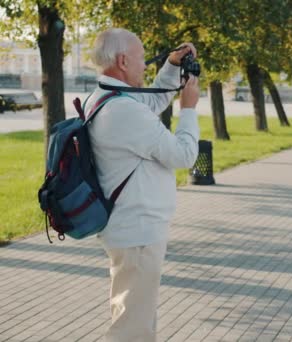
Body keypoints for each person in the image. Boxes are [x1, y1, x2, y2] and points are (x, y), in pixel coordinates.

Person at [88, 28, 200, 341]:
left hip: (129, 229)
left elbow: (148, 106)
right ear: (123, 61)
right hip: (137, 232)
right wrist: (188, 108)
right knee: (132, 329)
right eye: (141, 59)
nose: (145, 66)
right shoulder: (123, 109)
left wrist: (171, 67)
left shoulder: (108, 97)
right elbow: (185, 154)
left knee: (135, 317)